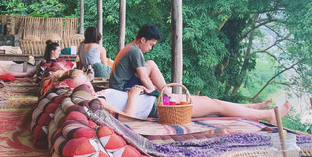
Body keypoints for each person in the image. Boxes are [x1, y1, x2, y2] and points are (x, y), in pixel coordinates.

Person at [51, 69, 290, 123]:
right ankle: (268, 115)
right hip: (158, 108)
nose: (89, 84)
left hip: (155, 101)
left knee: (211, 103)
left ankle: (254, 109)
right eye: (85, 83)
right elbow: (126, 119)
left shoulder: (98, 96)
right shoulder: (97, 103)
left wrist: (125, 93)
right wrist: (132, 95)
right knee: (213, 104)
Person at [109, 24, 166, 93]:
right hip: (121, 88)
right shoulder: (135, 51)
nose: (150, 48)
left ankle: (166, 93)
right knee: (151, 64)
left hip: (118, 85)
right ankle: (167, 95)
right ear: (142, 40)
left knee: (148, 65)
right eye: (150, 44)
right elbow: (143, 78)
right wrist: (155, 92)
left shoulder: (130, 47)